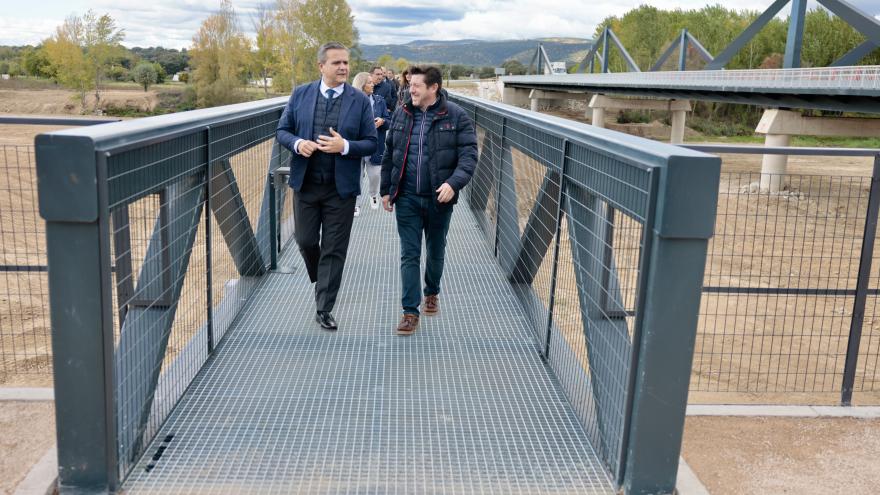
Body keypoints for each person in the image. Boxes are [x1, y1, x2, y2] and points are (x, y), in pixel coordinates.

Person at [276, 42, 377, 331]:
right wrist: (298, 143)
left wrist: (344, 145)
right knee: (306, 240)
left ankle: (324, 307)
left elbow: (371, 141)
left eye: (346, 62)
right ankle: (324, 276)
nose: (344, 67)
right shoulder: (301, 94)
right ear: (322, 66)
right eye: (337, 63)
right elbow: (283, 131)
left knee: (334, 248)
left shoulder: (359, 100)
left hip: (340, 188)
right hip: (306, 183)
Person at [380, 65, 477, 335]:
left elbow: (469, 155)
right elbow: (390, 152)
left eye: (416, 86)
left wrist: (453, 183)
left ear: (433, 88)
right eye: (410, 85)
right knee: (409, 253)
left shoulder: (456, 116)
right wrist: (387, 190)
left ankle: (431, 292)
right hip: (407, 197)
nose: (410, 89)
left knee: (436, 250)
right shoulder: (401, 113)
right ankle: (410, 312)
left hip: (439, 198)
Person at [351, 71, 390, 212]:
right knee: (356, 175)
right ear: (361, 85)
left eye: (372, 82)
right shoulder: (351, 101)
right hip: (356, 144)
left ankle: (373, 194)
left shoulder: (380, 100)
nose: (372, 84)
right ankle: (356, 204)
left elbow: (389, 121)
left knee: (375, 174)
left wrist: (382, 121)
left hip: (375, 144)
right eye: (369, 82)